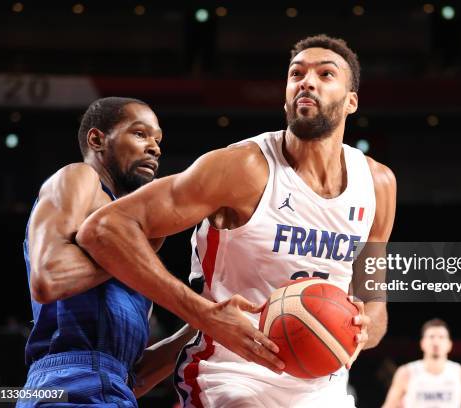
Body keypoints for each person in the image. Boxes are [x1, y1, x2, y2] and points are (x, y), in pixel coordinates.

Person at [77, 34, 397, 407]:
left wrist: (363, 328)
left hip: (323, 385)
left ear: (351, 101)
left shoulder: (378, 184)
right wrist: (204, 315)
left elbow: (374, 299)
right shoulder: (242, 168)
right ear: (286, 95)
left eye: (326, 74)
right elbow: (104, 229)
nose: (307, 81)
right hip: (230, 375)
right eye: (297, 74)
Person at [20, 97, 175, 407]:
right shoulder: (80, 177)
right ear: (97, 139)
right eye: (140, 133)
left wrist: (204, 325)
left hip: (113, 392)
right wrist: (133, 253)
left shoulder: (135, 246)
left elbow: (135, 377)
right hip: (63, 385)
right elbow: (49, 279)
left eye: (157, 139)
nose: (155, 148)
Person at [382, 319, 461, 408]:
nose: (436, 342)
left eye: (441, 337)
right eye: (431, 337)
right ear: (422, 343)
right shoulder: (406, 372)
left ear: (449, 344)